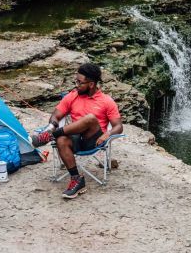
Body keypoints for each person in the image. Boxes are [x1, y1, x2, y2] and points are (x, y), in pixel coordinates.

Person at [30, 62, 123, 199]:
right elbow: (56, 115)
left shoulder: (106, 101)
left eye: (80, 82)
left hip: (93, 140)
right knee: (61, 140)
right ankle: (77, 180)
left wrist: (107, 134)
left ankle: (50, 136)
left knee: (90, 118)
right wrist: (51, 126)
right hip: (74, 138)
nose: (76, 85)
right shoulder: (72, 96)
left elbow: (119, 126)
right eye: (76, 81)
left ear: (91, 84)